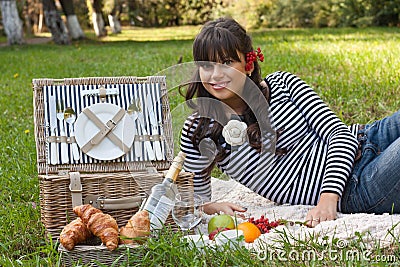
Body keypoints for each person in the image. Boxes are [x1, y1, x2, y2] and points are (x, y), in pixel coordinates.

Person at [179, 17, 400, 227]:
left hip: (369, 137)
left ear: (248, 65)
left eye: (227, 62)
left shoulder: (283, 83)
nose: (216, 75)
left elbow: (340, 135)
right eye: (207, 65)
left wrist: (327, 200)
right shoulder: (199, 130)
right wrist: (208, 207)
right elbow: (192, 197)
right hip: (358, 186)